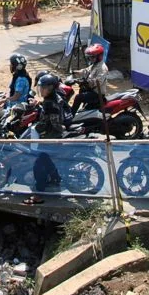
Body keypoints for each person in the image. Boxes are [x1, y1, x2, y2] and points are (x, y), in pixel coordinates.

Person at [24, 72, 65, 204]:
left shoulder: (51, 104)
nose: (41, 90)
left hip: (50, 139)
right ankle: (56, 178)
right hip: (50, 137)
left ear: (51, 88)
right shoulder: (53, 99)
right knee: (47, 162)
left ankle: (38, 195)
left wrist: (40, 128)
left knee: (38, 166)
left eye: (43, 87)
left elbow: (55, 124)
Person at [71, 43, 108, 116]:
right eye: (90, 57)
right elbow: (86, 71)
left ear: (99, 56)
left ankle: (71, 115)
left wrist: (86, 82)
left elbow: (98, 82)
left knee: (78, 97)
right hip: (91, 90)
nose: (91, 59)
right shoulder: (95, 65)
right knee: (82, 89)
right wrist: (75, 72)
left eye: (92, 57)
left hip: (97, 94)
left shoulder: (102, 68)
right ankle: (84, 110)